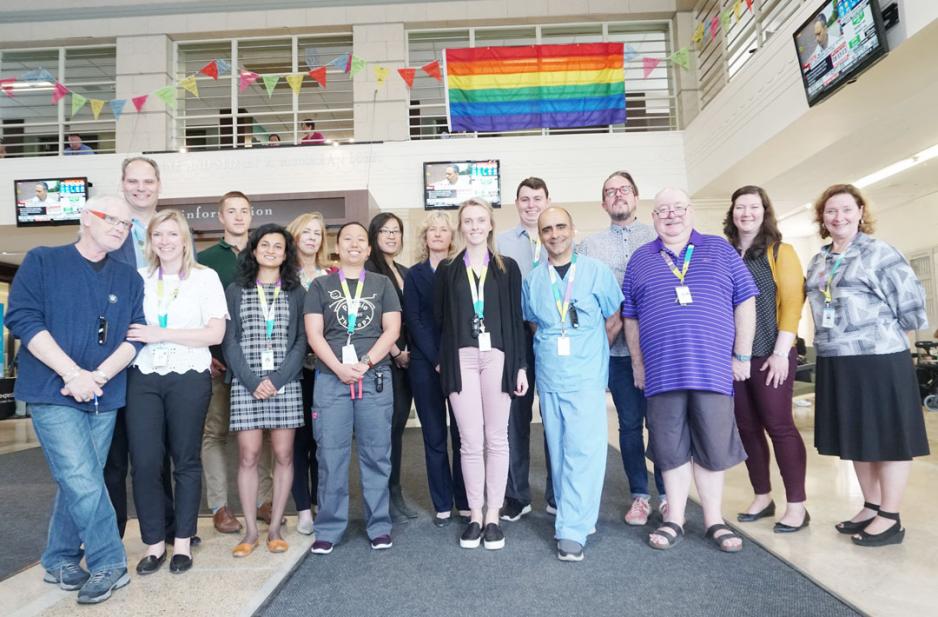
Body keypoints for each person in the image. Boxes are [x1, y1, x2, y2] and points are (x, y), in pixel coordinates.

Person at [6, 195, 144, 604]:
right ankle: (109, 562)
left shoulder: (128, 277)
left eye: (127, 224)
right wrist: (72, 374)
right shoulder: (43, 260)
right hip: (54, 390)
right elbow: (23, 320)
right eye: (112, 219)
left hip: (104, 392)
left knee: (79, 480)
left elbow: (134, 336)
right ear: (86, 217)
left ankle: (60, 556)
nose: (120, 228)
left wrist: (97, 376)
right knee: (83, 478)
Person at [622, 188, 757, 553]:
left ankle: (714, 520)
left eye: (678, 208)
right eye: (662, 210)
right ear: (653, 218)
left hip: (712, 370)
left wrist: (742, 356)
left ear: (691, 212)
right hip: (662, 373)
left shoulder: (720, 249)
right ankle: (675, 519)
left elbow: (745, 301)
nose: (671, 215)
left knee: (713, 448)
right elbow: (630, 318)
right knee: (670, 449)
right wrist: (637, 364)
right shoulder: (640, 259)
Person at [805, 184, 928, 547]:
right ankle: (871, 505)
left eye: (845, 209)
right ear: (822, 218)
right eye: (830, 211)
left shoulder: (879, 252)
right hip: (835, 358)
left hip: (878, 358)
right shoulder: (820, 259)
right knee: (858, 435)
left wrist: (884, 338)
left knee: (888, 437)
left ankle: (890, 517)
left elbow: (910, 305)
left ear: (860, 211)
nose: (838, 217)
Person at [125, 210, 227, 575]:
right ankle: (154, 544)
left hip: (189, 375)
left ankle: (182, 541)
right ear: (149, 241)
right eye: (158, 235)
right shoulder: (137, 279)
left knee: (185, 459)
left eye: (172, 234)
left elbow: (214, 334)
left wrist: (161, 333)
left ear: (185, 239)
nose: (165, 241)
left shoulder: (205, 278)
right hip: (144, 376)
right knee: (147, 463)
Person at [522, 207, 623, 562]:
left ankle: (572, 529)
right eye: (547, 229)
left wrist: (591, 350)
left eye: (560, 226)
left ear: (572, 229)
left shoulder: (596, 272)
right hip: (551, 375)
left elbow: (614, 317)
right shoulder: (533, 279)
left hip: (585, 376)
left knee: (585, 450)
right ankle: (573, 513)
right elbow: (533, 323)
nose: (554, 234)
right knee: (560, 450)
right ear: (541, 236)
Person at [435, 197, 529, 550]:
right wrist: (443, 359)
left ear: (490, 225)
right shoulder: (448, 269)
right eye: (468, 221)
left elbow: (517, 323)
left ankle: (493, 514)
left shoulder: (508, 268)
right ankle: (474, 514)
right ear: (461, 227)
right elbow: (440, 319)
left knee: (497, 439)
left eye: (480, 220)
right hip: (461, 359)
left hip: (498, 358)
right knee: (470, 442)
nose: (474, 227)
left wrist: (519, 366)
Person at [305, 222, 401, 555]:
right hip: (332, 379)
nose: (355, 244)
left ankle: (379, 525)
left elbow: (391, 329)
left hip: (374, 377)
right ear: (337, 246)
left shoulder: (382, 283)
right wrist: (340, 368)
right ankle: (329, 528)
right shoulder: (320, 285)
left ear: (369, 248)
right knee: (330, 454)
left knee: (377, 454)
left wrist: (367, 363)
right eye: (348, 239)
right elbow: (314, 334)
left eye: (361, 240)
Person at [577, 170, 666, 526]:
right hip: (615, 352)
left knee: (663, 425)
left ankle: (669, 495)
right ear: (603, 203)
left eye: (624, 189)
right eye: (610, 191)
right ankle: (640, 496)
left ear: (636, 197)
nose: (617, 195)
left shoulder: (658, 236)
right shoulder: (589, 247)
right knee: (629, 426)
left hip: (659, 350)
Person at [723, 186, 809, 532]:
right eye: (740, 207)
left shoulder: (780, 252)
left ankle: (797, 505)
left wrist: (780, 353)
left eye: (753, 207)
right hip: (735, 357)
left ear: (764, 211)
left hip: (771, 353)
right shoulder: (726, 253)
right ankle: (762, 495)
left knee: (780, 425)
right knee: (746, 428)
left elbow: (792, 304)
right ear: (731, 214)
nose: (746, 213)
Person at [105, 157, 178, 544]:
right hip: (115, 359)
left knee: (156, 454)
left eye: (147, 181)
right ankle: (111, 535)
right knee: (114, 458)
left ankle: (167, 529)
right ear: (123, 184)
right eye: (133, 181)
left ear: (158, 185)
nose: (140, 188)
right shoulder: (110, 235)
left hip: (162, 360)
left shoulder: (170, 231)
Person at [222, 224, 306, 557]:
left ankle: (274, 527)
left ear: (286, 254)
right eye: (265, 245)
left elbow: (301, 341)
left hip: (285, 382)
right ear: (253, 251)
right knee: (249, 455)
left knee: (284, 455)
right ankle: (251, 531)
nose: (271, 251)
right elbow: (229, 340)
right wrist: (253, 382)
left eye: (278, 246)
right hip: (247, 384)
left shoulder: (296, 291)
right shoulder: (235, 290)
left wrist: (278, 379)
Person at [198, 191, 277, 533]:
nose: (239, 216)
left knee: (260, 433)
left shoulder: (265, 252)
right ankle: (219, 505)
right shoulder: (203, 259)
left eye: (244, 211)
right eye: (231, 211)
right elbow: (196, 309)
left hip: (258, 366)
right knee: (214, 432)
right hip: (218, 363)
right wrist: (207, 354)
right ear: (220, 217)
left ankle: (263, 500)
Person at [403, 212, 469, 527]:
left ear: (451, 236)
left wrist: (450, 357)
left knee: (462, 434)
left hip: (459, 362)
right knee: (434, 436)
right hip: (425, 365)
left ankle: (465, 500)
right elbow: (414, 320)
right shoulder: (414, 275)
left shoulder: (462, 269)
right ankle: (442, 503)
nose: (439, 234)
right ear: (425, 236)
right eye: (433, 229)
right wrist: (436, 357)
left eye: (444, 229)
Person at [495, 177, 554, 521]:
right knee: (514, 419)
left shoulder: (559, 239)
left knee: (554, 418)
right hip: (516, 337)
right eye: (525, 199)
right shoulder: (501, 243)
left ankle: (557, 493)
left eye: (537, 198)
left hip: (551, 334)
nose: (531, 205)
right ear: (516, 204)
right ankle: (517, 495)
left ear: (547, 200)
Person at [365, 213, 417, 522]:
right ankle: (382, 493)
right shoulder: (370, 272)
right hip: (384, 362)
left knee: (397, 428)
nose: (391, 236)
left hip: (407, 363)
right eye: (385, 231)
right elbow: (374, 320)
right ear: (374, 235)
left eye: (396, 231)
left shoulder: (404, 271)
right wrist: (397, 351)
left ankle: (394, 488)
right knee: (382, 432)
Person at [285, 212, 329, 536]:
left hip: (325, 370)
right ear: (295, 236)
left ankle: (321, 501)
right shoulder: (282, 277)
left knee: (322, 441)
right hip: (292, 372)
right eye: (306, 232)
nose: (312, 238)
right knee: (297, 443)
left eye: (317, 233)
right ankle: (303, 508)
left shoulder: (330, 276)